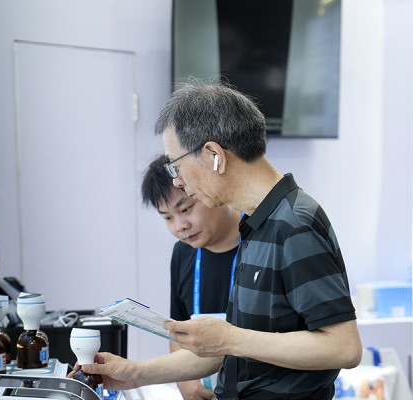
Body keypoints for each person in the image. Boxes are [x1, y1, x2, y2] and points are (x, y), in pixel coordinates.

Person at [72, 81, 362, 399]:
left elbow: (344, 347)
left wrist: (230, 338)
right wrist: (135, 374)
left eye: (176, 166)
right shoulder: (256, 224)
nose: (177, 181)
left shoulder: (294, 223)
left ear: (214, 156)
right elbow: (232, 350)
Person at [141, 154, 241, 400]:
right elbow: (178, 328)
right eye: (167, 217)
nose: (180, 226)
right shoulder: (183, 253)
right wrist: (185, 382)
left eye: (186, 209)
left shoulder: (261, 242)